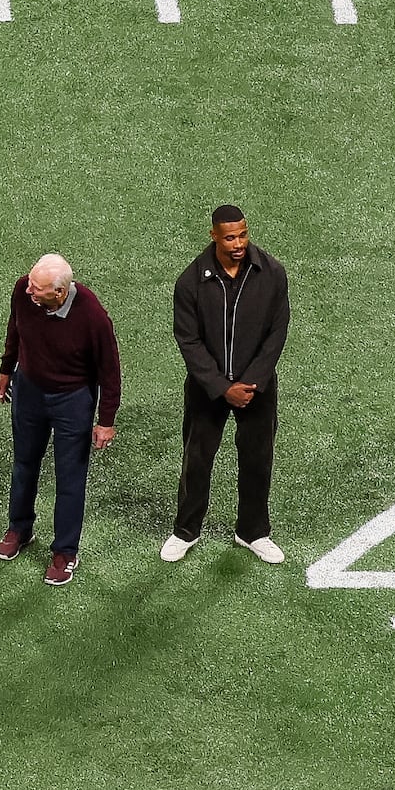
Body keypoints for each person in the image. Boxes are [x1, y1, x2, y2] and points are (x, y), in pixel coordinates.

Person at [168, 205, 292, 565]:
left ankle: (253, 532)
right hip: (209, 390)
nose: (238, 243)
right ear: (214, 236)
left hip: (257, 388)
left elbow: (277, 331)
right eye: (229, 237)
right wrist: (223, 387)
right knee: (196, 459)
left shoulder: (271, 273)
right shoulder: (191, 281)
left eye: (242, 235)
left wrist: (251, 381)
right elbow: (188, 341)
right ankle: (186, 530)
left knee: (258, 459)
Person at [0, 254, 119, 584]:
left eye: (38, 289)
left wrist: (106, 420)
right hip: (30, 391)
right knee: (24, 463)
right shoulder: (24, 290)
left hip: (73, 399)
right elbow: (15, 331)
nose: (29, 292)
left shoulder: (93, 316)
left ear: (60, 292)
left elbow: (110, 370)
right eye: (31, 285)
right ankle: (19, 529)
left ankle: (65, 551)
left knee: (70, 477)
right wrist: (7, 370)